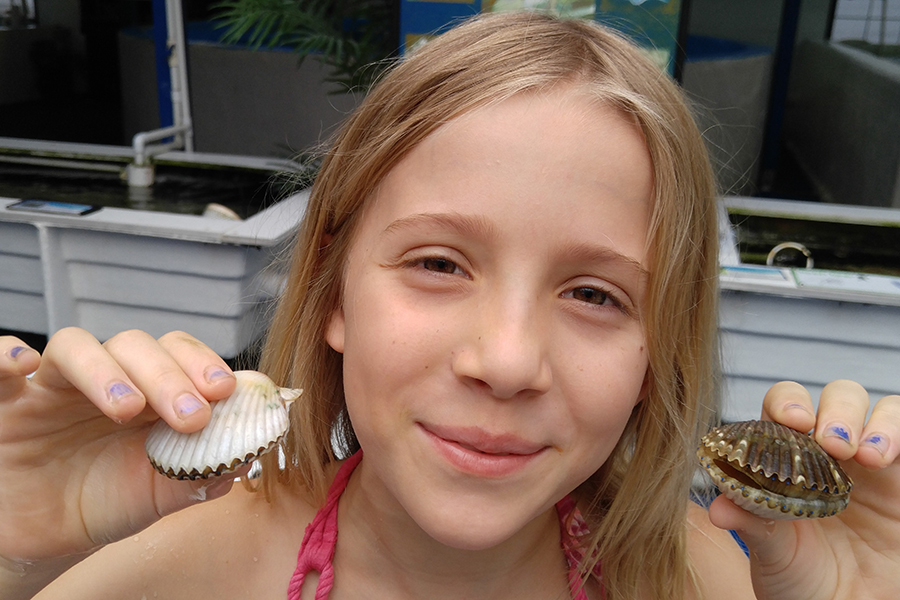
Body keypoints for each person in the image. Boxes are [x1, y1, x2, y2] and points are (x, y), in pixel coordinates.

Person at [1, 11, 898, 600]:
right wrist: (21, 554)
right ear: (333, 296)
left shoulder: (718, 585)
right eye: (438, 263)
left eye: (595, 293)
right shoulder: (177, 573)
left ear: (658, 352)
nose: (506, 361)